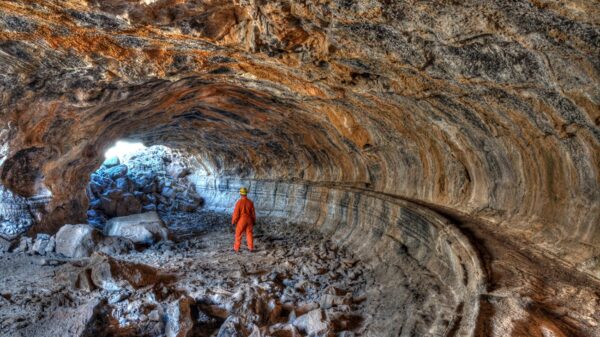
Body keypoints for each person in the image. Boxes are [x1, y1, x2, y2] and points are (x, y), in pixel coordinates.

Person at [231, 187, 256, 252]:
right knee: (249, 234)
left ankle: (236, 248)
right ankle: (251, 248)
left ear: (240, 194)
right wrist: (254, 221)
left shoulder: (239, 202)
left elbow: (236, 213)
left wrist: (234, 221)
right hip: (249, 220)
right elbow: (253, 213)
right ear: (246, 193)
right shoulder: (250, 202)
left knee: (238, 234)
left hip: (242, 220)